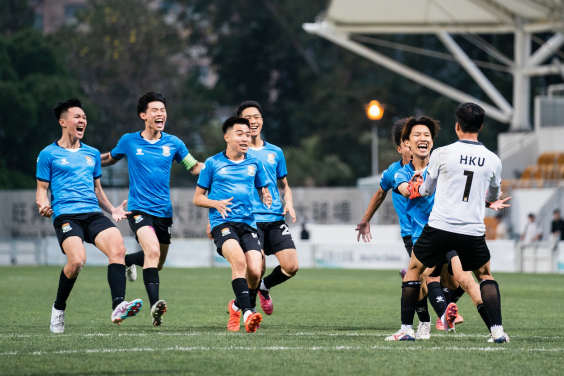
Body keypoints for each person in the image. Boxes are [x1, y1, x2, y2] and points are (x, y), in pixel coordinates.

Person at [387, 103, 511, 343]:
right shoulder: (493, 160)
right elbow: (493, 196)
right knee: (484, 275)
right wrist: (487, 201)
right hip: (472, 230)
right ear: (481, 127)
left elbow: (425, 190)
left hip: (440, 227)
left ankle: (406, 329)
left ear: (457, 126)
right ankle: (497, 331)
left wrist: (416, 184)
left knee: (413, 271)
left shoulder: (441, 154)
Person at [36, 98, 143, 334]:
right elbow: (42, 191)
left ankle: (118, 305)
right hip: (66, 216)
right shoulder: (48, 154)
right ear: (63, 122)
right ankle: (58, 309)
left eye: (84, 118)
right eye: (77, 117)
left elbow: (97, 190)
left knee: (118, 250)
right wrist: (43, 206)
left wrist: (112, 209)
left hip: (93, 214)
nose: (82, 120)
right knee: (77, 262)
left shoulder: (92, 153)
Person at [100, 91, 203, 326]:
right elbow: (109, 159)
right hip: (138, 209)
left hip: (164, 213)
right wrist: (84, 160)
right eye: (155, 110)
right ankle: (155, 306)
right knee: (152, 251)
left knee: (157, 262)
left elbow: (194, 167)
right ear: (143, 115)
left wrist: (219, 167)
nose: (160, 114)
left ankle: (126, 261)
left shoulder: (174, 143)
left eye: (163, 110)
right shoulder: (129, 141)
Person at [355, 118, 433, 339]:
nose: (413, 144)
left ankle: (443, 311)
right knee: (422, 277)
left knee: (447, 278)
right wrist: (366, 219)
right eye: (408, 141)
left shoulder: (434, 166)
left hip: (437, 229)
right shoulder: (394, 172)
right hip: (411, 233)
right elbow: (380, 193)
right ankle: (426, 322)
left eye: (418, 137)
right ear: (401, 147)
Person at [193, 117, 272, 333]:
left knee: (256, 271)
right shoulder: (212, 163)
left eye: (247, 134)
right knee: (239, 261)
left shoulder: (255, 163)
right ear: (227, 137)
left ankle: (236, 305)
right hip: (223, 223)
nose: (245, 138)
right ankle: (248, 313)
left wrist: (265, 194)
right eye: (240, 133)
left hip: (248, 224)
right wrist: (214, 203)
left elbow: (262, 187)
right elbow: (197, 198)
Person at [237, 101, 298, 316]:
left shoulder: (275, 152)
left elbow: (284, 185)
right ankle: (249, 311)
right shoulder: (237, 153)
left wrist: (288, 201)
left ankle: (264, 286)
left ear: (262, 121)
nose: (252, 121)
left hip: (275, 219)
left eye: (256, 117)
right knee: (256, 268)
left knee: (291, 267)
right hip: (251, 219)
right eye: (247, 118)